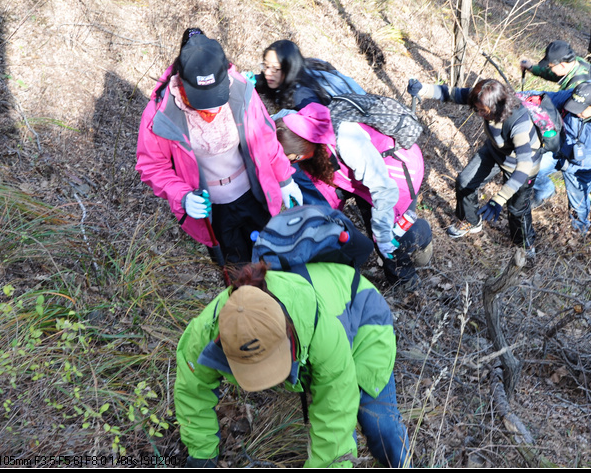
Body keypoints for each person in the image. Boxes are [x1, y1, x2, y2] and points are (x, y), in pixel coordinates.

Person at [174, 261, 411, 468]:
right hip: (317, 320)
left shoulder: (323, 336)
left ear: (288, 336)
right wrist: (202, 454)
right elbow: (192, 392)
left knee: (380, 425)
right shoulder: (206, 332)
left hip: (361, 316)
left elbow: (335, 420)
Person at [136, 29, 303, 265]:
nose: (213, 108)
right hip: (214, 211)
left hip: (254, 196)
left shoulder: (241, 90)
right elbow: (152, 166)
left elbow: (265, 138)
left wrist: (285, 179)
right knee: (239, 274)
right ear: (183, 84)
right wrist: (182, 196)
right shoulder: (161, 113)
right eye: (203, 99)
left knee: (273, 262)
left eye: (218, 96)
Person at [274, 102, 432, 288]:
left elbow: (383, 188)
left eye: (294, 158)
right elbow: (264, 123)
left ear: (302, 146)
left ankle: (410, 274)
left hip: (394, 174)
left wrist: (382, 236)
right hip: (356, 176)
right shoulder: (296, 125)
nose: (294, 163)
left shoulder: (347, 140)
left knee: (391, 241)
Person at [408, 78, 542, 254]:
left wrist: (498, 199)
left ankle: (525, 244)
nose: (479, 114)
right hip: (495, 151)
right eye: (477, 109)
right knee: (465, 181)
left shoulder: (519, 122)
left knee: (516, 209)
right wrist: (422, 88)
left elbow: (524, 166)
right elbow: (452, 93)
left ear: (496, 106)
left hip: (522, 165)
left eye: (484, 112)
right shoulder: (482, 96)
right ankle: (470, 220)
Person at [531, 80, 591, 234]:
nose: (576, 112)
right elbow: (542, 98)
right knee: (530, 169)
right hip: (558, 153)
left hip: (584, 169)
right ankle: (545, 190)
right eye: (574, 108)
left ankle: (579, 234)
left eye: (581, 110)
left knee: (578, 206)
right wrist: (514, 98)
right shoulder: (572, 97)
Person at [255, 39, 364, 111]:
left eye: (276, 68)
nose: (268, 73)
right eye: (266, 66)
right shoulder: (303, 66)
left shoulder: (302, 97)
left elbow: (321, 126)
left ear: (289, 67)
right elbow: (260, 80)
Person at [519, 40, 591, 99]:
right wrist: (532, 68)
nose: (549, 69)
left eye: (550, 66)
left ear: (562, 65)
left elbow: (560, 106)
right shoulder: (575, 62)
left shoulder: (576, 86)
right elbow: (554, 74)